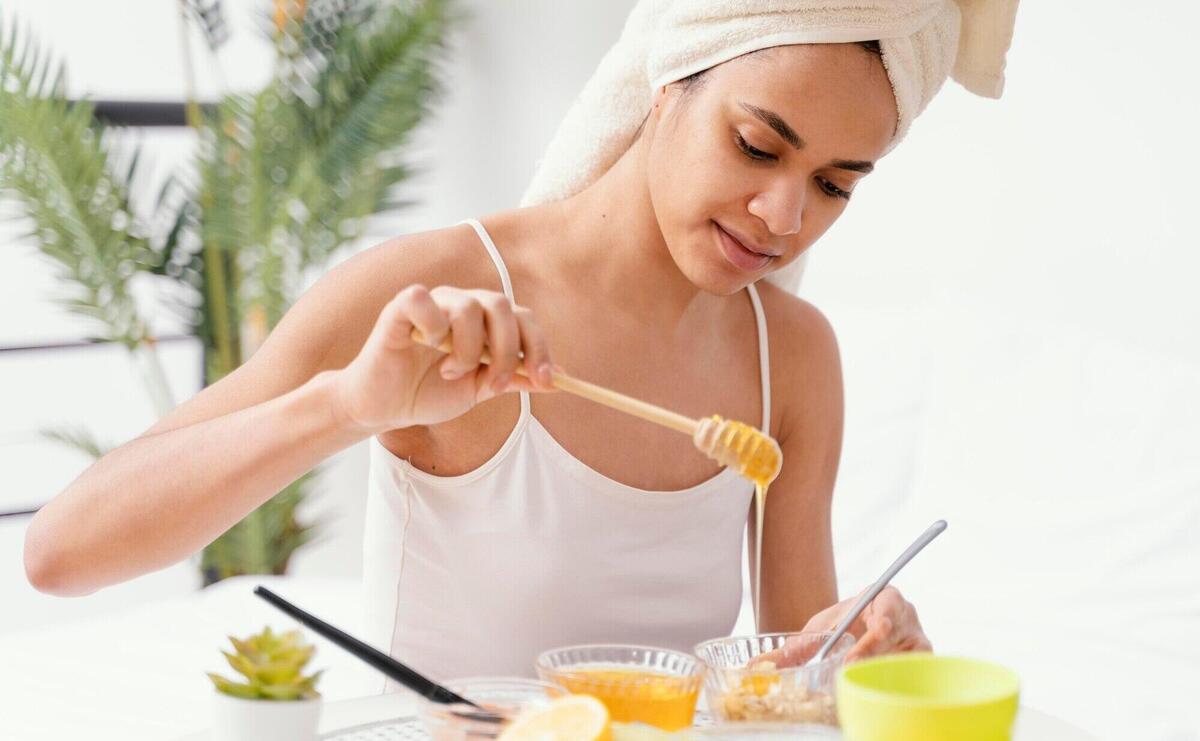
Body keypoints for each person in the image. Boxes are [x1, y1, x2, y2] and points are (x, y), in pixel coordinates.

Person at [25, 0, 1017, 685]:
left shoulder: (794, 358)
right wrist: (343, 407)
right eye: (758, 146)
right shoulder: (438, 296)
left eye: (836, 183)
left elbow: (788, 672)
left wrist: (857, 648)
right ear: (668, 85)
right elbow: (61, 552)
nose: (784, 215)